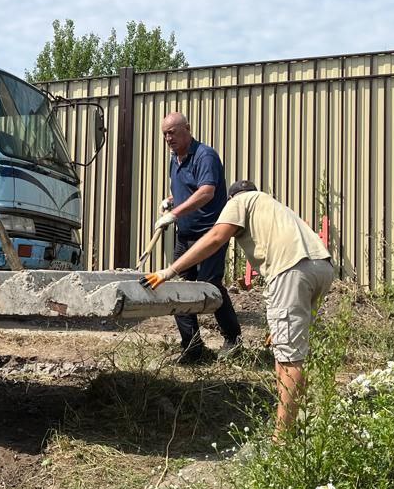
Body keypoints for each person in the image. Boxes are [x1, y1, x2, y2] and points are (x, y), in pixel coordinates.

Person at [143, 180, 335, 435]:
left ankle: (282, 440)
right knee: (287, 350)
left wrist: (171, 270)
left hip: (290, 271)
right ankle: (294, 420)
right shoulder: (275, 207)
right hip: (322, 268)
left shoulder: (239, 201)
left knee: (289, 360)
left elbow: (215, 237)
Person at [154, 113, 243, 361]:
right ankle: (192, 347)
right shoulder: (175, 160)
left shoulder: (205, 155)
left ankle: (233, 340)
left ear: (188, 129)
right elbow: (187, 190)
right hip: (185, 235)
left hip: (210, 233)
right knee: (179, 288)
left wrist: (175, 213)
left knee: (209, 285)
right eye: (164, 134)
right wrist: (171, 201)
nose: (168, 138)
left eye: (172, 132)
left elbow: (206, 191)